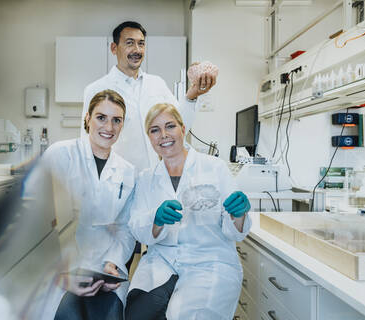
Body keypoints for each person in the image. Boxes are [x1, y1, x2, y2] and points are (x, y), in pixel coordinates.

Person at [125, 103, 252, 320]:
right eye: (155, 130)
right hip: (162, 260)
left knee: (188, 316)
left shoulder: (214, 168)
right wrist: (155, 220)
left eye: (170, 126)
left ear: (183, 129)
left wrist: (238, 214)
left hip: (210, 261)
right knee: (138, 314)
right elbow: (137, 226)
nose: (163, 135)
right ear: (150, 137)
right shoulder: (146, 178)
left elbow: (235, 231)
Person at [24, 90, 136, 320]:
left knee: (111, 315)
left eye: (117, 120)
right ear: (87, 118)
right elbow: (34, 217)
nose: (109, 127)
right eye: (101, 117)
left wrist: (112, 264)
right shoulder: (61, 154)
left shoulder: (127, 171)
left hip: (106, 268)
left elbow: (125, 227)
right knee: (68, 315)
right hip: (59, 266)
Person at [82, 21, 217, 171]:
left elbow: (178, 124)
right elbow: (87, 141)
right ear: (114, 48)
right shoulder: (97, 89)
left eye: (141, 44)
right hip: (116, 179)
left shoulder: (157, 84)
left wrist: (193, 94)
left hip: (155, 177)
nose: (137, 50)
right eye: (129, 43)